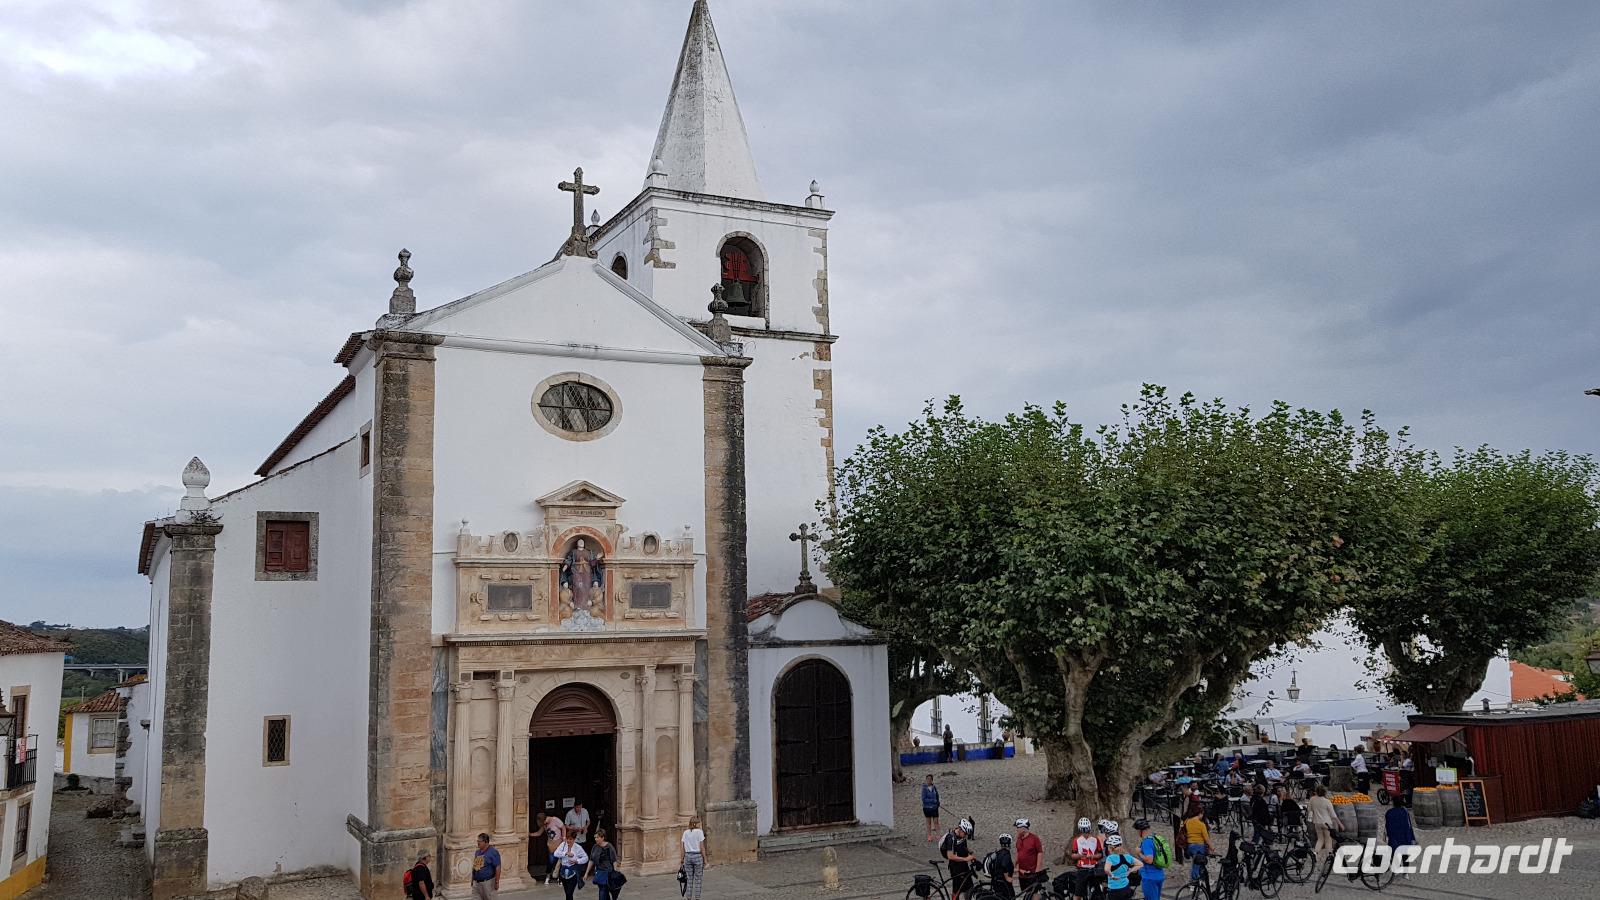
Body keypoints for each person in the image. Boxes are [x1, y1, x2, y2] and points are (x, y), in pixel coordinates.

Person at [940, 819, 979, 900]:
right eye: (965, 833)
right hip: (956, 868)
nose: (965, 835)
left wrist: (969, 851)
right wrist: (966, 859)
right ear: (960, 829)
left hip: (963, 866)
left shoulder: (961, 835)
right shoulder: (951, 839)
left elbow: (963, 844)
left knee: (969, 886)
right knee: (957, 889)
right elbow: (950, 856)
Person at [1069, 817, 1105, 899]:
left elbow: (1100, 854)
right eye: (1084, 831)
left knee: (1097, 892)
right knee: (1078, 893)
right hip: (1082, 869)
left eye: (1087, 831)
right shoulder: (1076, 840)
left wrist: (1092, 856)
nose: (1086, 833)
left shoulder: (1095, 840)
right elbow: (1073, 855)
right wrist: (1081, 856)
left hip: (1093, 869)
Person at [1384, 798, 1418, 878]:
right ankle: (1406, 873)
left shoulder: (1389, 813)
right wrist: (1411, 837)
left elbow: (1388, 826)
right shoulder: (1405, 812)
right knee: (1405, 854)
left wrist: (1387, 836)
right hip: (1405, 836)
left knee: (1394, 853)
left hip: (1394, 836)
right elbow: (1409, 825)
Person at [1134, 819, 1168, 900]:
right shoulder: (1154, 839)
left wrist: (1139, 853)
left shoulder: (1146, 842)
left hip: (1150, 877)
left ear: (1140, 830)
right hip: (1159, 875)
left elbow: (1149, 860)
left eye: (1137, 830)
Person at [1306, 785, 1340, 866]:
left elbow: (1309, 810)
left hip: (1317, 823)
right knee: (1328, 840)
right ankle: (1329, 857)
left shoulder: (1312, 799)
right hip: (1327, 823)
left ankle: (1315, 853)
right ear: (1325, 792)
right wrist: (1340, 823)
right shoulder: (1327, 801)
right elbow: (1333, 815)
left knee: (1320, 839)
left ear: (1316, 791)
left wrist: (1310, 818)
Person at [554, 825, 590, 900]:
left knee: (569, 892)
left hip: (573, 871)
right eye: (567, 839)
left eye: (570, 839)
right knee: (567, 893)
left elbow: (586, 858)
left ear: (574, 839)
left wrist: (577, 861)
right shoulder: (563, 845)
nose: (568, 841)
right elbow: (555, 853)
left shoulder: (578, 847)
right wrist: (565, 853)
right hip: (563, 871)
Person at [1103, 834, 1143, 900]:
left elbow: (1106, 870)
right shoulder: (1127, 856)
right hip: (1126, 887)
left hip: (1114, 889)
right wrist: (1130, 871)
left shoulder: (1110, 858)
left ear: (1110, 847)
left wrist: (1112, 876)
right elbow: (1140, 864)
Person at [586, 827, 621, 900]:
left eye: (597, 837)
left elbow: (614, 860)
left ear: (602, 837)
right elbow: (591, 860)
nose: (596, 839)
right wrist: (586, 873)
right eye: (595, 837)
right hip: (599, 872)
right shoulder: (595, 847)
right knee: (604, 891)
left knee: (603, 891)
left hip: (608, 872)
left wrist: (614, 873)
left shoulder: (609, 847)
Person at [1014, 818, 1045, 892]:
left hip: (1032, 873)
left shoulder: (1034, 839)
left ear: (1023, 828)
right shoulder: (1019, 839)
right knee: (1024, 892)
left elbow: (1040, 853)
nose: (1016, 830)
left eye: (1017, 828)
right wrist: (1015, 866)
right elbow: (1018, 853)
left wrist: (1037, 870)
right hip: (1022, 874)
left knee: (1033, 893)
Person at [1182, 806, 1213, 882]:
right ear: (1199, 814)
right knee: (1196, 865)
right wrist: (1211, 847)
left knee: (1197, 863)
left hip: (1190, 846)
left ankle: (1202, 878)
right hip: (1199, 846)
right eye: (1202, 814)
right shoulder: (1201, 824)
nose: (1202, 816)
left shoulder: (1187, 821)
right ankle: (1194, 881)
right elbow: (1206, 838)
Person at [680, 816, 708, 900]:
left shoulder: (685, 832)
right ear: (696, 823)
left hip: (688, 856)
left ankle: (688, 898)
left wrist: (682, 858)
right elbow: (702, 847)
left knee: (689, 879)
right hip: (697, 856)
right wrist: (705, 860)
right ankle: (697, 898)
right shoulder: (699, 832)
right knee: (698, 880)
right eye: (699, 823)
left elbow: (682, 847)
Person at [471, 833, 500, 900]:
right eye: (477, 841)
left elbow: (498, 867)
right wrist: (472, 880)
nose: (478, 843)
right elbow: (475, 867)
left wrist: (496, 882)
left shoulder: (493, 852)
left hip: (487, 883)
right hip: (477, 884)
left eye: (479, 841)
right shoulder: (477, 852)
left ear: (486, 842)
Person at [989, 833, 1017, 899]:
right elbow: (1004, 866)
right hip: (1003, 883)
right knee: (1011, 897)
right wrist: (1007, 878)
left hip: (997, 881)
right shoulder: (1006, 854)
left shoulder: (999, 853)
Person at [542, 809, 566, 884]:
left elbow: (563, 827)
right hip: (551, 845)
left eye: (544, 821)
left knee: (560, 862)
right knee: (551, 861)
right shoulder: (544, 824)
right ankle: (548, 876)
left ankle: (560, 878)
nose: (544, 823)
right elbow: (540, 832)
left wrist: (564, 837)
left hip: (559, 844)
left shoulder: (555, 820)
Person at [922, 774, 942, 842]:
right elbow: (924, 799)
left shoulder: (934, 787)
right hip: (927, 808)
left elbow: (937, 795)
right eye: (927, 779)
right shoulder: (924, 788)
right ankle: (929, 836)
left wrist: (938, 802)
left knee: (936, 822)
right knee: (928, 822)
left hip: (934, 807)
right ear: (926, 780)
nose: (929, 780)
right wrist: (933, 801)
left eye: (930, 779)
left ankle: (938, 835)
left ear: (932, 780)